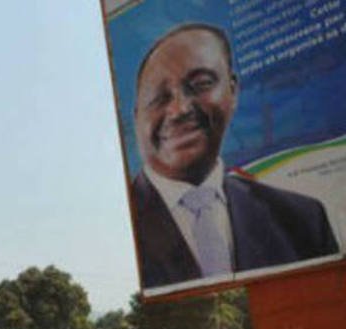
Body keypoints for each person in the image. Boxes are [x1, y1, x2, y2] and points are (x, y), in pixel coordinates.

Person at [130, 23, 339, 289]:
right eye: (159, 97)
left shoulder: (302, 220)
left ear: (233, 90)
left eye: (200, 84)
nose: (179, 109)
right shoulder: (119, 232)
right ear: (137, 118)